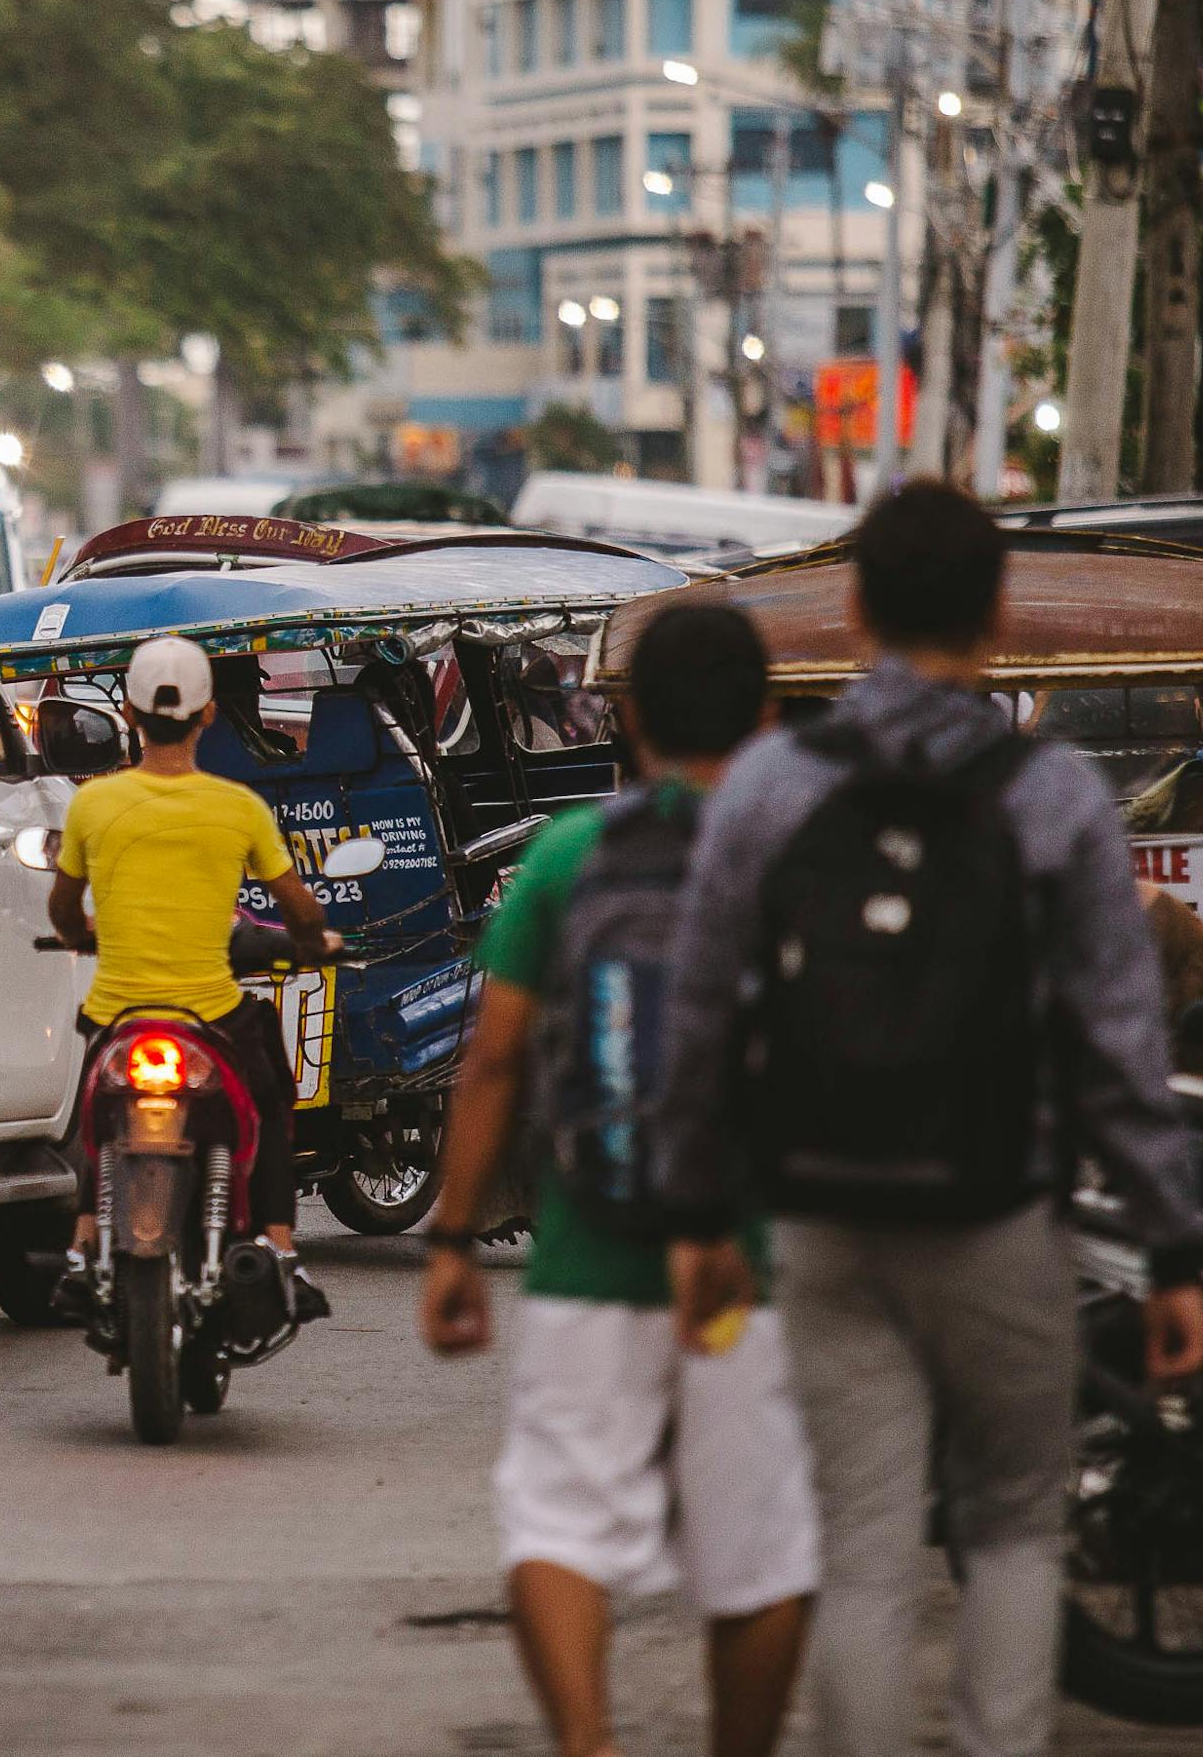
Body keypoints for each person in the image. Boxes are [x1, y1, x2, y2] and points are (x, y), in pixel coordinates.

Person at [654, 479, 1203, 1757]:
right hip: (998, 1205)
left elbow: (701, 1019)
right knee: (1014, 1523)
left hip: (820, 1206)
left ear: (851, 608)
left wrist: (697, 1213)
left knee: (860, 1541)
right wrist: (1171, 1241)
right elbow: (1116, 1044)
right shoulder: (1054, 794)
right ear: (998, 613)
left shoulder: (772, 785)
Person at [421, 599, 816, 1757]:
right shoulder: (793, 861)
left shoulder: (566, 857)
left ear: (626, 721)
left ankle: (586, 1745)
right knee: (760, 1553)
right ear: (766, 717)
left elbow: (493, 1060)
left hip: (589, 1240)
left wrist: (452, 1241)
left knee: (559, 1521)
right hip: (753, 1261)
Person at [47, 633, 336, 1321]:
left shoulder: (92, 806)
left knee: (92, 1114)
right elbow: (298, 908)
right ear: (208, 715)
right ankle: (278, 1244)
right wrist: (311, 940)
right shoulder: (237, 808)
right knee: (269, 1103)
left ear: (128, 714)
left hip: (122, 1014)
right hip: (212, 1014)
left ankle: (84, 1242)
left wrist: (79, 933)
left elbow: (63, 908)